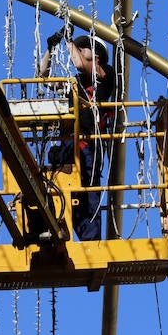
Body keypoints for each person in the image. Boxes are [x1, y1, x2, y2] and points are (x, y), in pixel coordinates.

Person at [39, 31, 116, 241]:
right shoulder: (74, 83)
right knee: (58, 188)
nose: (79, 50)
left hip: (89, 145)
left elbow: (82, 65)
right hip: (68, 145)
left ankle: (90, 241)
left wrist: (68, 40)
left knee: (88, 196)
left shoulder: (105, 74)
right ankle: (55, 229)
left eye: (84, 47)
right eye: (78, 46)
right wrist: (50, 49)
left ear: (97, 56)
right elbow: (42, 77)